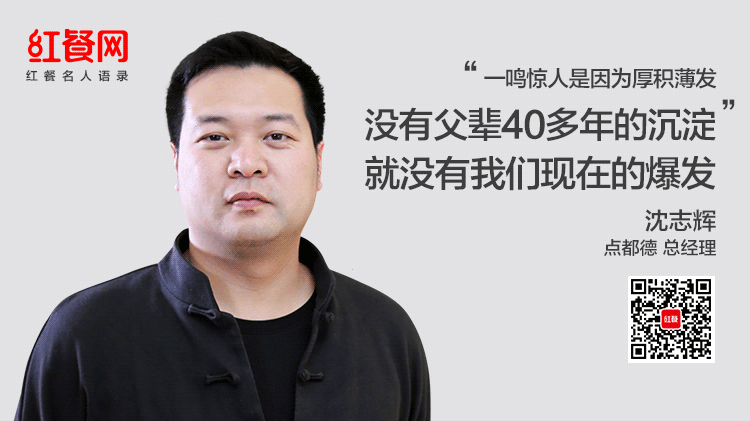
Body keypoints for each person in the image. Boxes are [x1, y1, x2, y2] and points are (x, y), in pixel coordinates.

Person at [15, 32, 430, 421]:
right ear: (176, 162)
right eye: (215, 137)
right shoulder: (85, 334)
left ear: (319, 162)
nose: (246, 163)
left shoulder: (387, 333)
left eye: (276, 135)